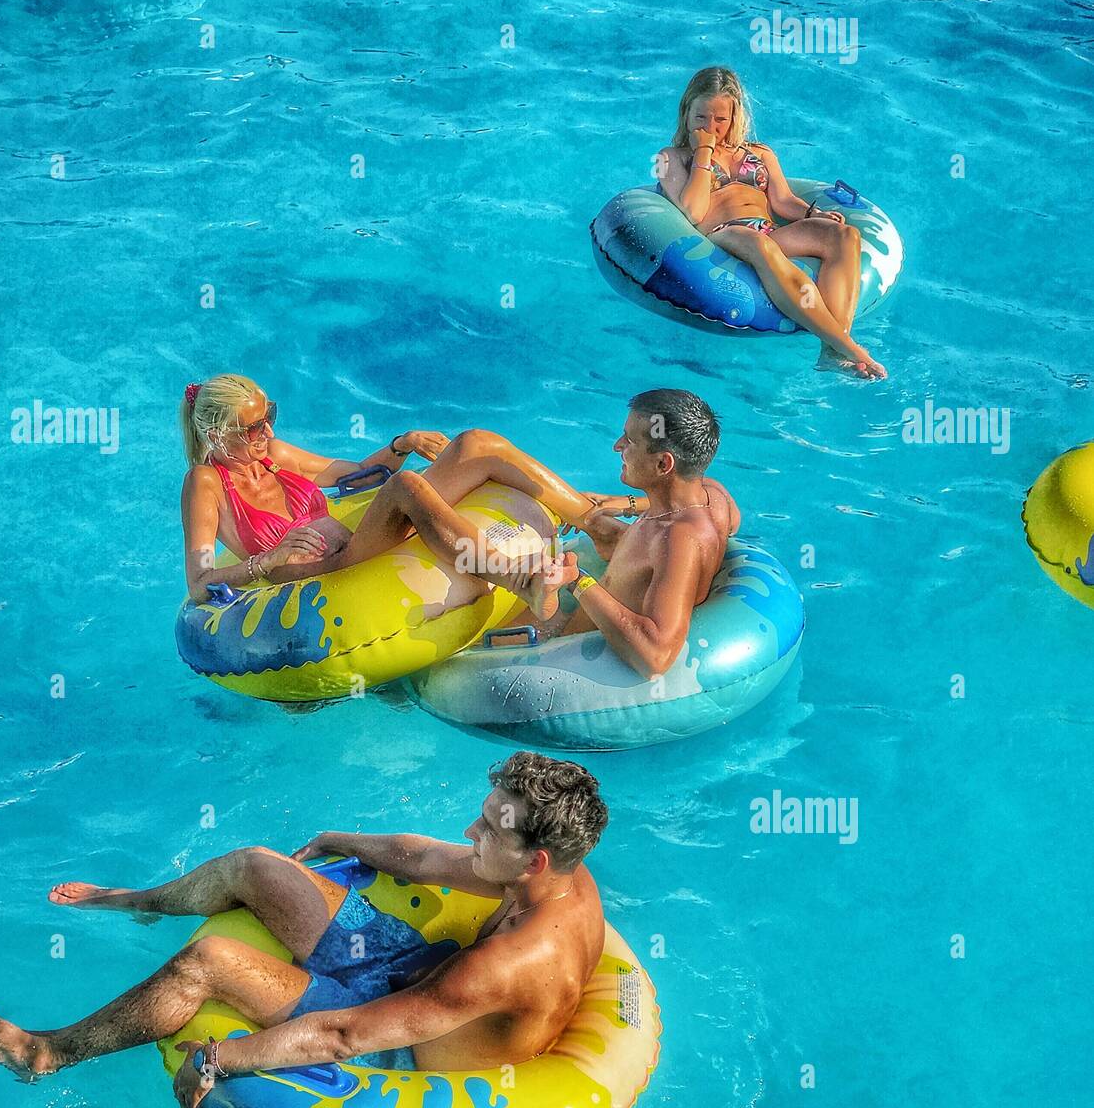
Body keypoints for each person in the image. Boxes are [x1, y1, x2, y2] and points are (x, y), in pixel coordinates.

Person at [0, 753, 609, 1108]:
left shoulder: (511, 963)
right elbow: (425, 858)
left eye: (490, 828)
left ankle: (45, 1054)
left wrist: (217, 1060)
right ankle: (140, 901)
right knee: (254, 865)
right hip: (414, 970)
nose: (471, 831)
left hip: (402, 1047)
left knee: (206, 962)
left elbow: (346, 1035)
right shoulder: (555, 878)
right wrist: (338, 841)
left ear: (534, 860)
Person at [178, 374, 586, 618]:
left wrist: (401, 445)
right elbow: (199, 583)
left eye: (270, 417)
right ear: (217, 435)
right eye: (253, 428)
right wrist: (268, 560)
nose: (268, 432)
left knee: (474, 444)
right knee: (406, 487)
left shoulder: (276, 455)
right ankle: (520, 580)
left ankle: (592, 519)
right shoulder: (205, 483)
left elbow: (356, 477)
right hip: (312, 573)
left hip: (355, 545)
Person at [656, 65, 887, 379]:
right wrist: (703, 153)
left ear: (735, 117)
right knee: (759, 244)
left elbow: (782, 200)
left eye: (721, 119)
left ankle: (832, 351)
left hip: (768, 230)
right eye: (701, 118)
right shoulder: (672, 158)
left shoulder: (760, 153)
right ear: (686, 112)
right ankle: (851, 348)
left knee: (843, 235)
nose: (712, 127)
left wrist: (812, 214)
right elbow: (694, 212)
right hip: (725, 233)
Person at [509, 388, 740, 678]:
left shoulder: (677, 539)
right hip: (567, 622)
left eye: (629, 441)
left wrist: (577, 581)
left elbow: (656, 658)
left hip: (558, 650)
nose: (617, 446)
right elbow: (731, 519)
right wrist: (628, 504)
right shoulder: (715, 497)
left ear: (663, 464)